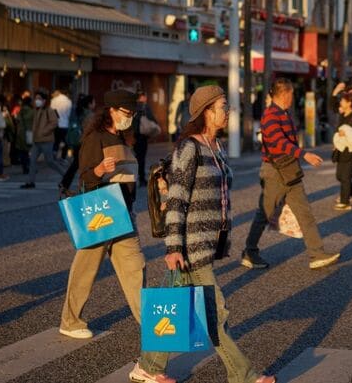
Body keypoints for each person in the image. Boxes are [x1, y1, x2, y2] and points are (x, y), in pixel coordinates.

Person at [140, 86, 277, 383]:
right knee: (215, 310)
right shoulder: (189, 148)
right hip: (191, 245)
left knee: (175, 303)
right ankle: (243, 374)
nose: (228, 112)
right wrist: (173, 247)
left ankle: (149, 366)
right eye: (223, 107)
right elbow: (176, 201)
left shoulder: (216, 146)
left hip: (207, 242)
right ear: (206, 112)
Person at [56, 90, 168, 383]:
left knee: (136, 267)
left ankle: (150, 325)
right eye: (127, 113)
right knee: (86, 268)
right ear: (113, 111)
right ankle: (70, 320)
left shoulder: (121, 139)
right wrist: (99, 169)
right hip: (101, 212)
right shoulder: (95, 139)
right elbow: (85, 177)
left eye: (132, 114)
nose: (129, 118)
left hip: (123, 215)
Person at [242, 78, 339, 271]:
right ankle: (249, 252)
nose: (293, 97)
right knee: (265, 213)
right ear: (285, 94)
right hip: (274, 172)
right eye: (292, 94)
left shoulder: (283, 113)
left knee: (305, 212)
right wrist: (304, 154)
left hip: (289, 170)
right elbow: (280, 143)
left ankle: (317, 254)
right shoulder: (270, 115)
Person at [21, 91, 62, 189]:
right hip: (37, 141)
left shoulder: (49, 110)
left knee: (50, 161)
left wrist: (44, 132)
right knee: (32, 161)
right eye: (36, 98)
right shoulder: (37, 110)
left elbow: (54, 123)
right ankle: (30, 182)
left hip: (47, 140)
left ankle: (66, 175)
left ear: (44, 100)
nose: (37, 101)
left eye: (39, 98)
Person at [60, 94, 96, 194]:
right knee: (85, 167)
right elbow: (90, 131)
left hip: (77, 143)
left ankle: (64, 183)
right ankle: (84, 188)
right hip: (85, 144)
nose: (95, 104)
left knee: (76, 165)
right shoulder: (90, 115)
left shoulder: (77, 112)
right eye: (93, 102)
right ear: (89, 104)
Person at [131, 91, 157, 187]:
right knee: (141, 157)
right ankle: (141, 178)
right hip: (142, 135)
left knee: (136, 157)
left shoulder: (132, 106)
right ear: (141, 97)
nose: (146, 98)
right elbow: (152, 118)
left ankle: (135, 177)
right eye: (144, 96)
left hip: (133, 135)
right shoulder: (144, 107)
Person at [51, 89, 73, 159]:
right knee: (65, 141)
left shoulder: (53, 100)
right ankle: (63, 157)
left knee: (56, 141)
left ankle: (54, 155)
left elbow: (52, 112)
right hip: (65, 124)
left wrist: (57, 118)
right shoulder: (68, 101)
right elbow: (68, 114)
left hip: (56, 124)